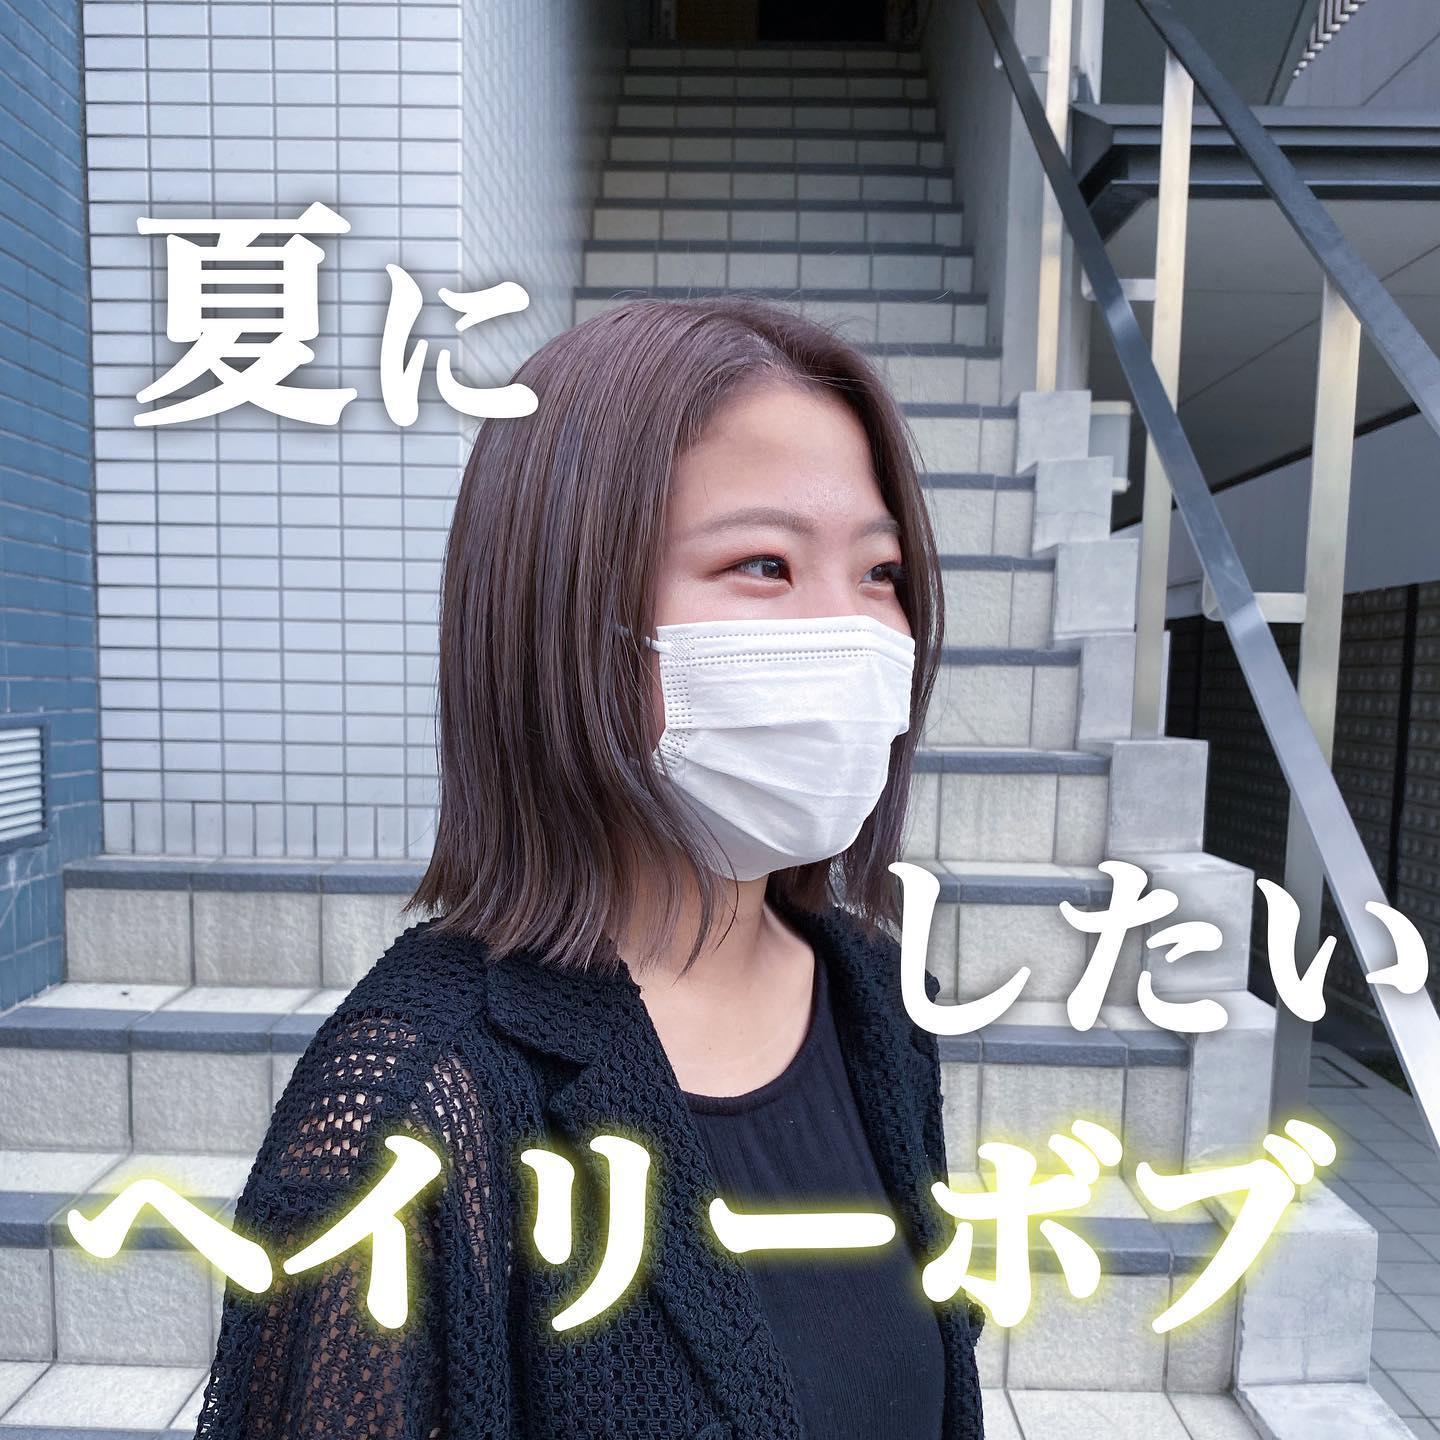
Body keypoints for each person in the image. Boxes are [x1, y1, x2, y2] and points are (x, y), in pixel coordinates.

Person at [192, 295, 986, 1440]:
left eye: (882, 573)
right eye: (764, 564)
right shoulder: (413, 1105)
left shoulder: (877, 999)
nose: (855, 633)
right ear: (568, 610)